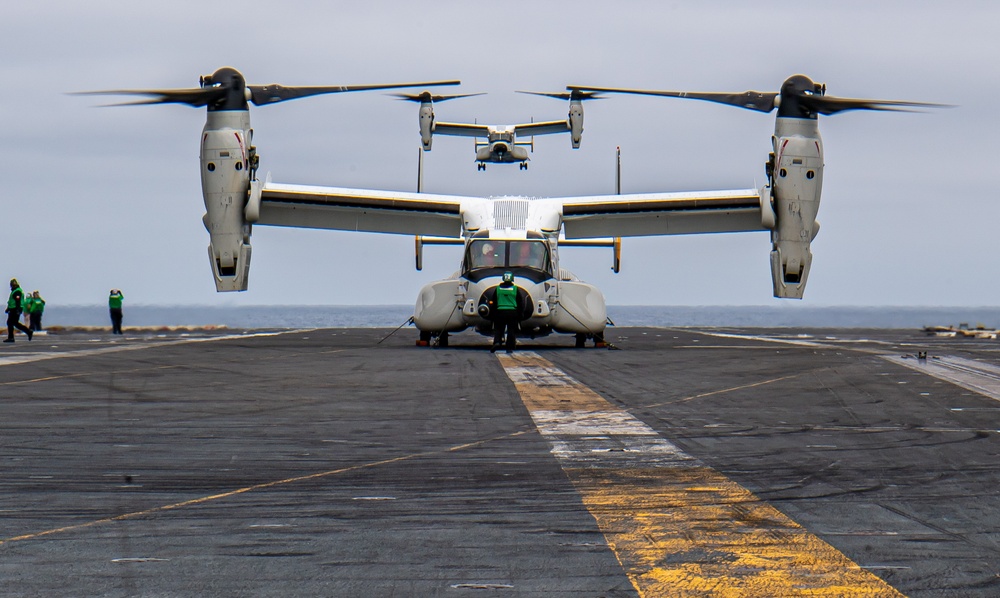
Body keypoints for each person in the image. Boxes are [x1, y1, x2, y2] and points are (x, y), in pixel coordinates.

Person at [489, 271, 526, 354]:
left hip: (500, 311)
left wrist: (493, 313)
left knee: (498, 329)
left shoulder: (498, 289)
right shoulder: (515, 289)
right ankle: (510, 346)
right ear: (512, 279)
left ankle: (497, 342)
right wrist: (521, 314)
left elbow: (493, 302)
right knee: (511, 330)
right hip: (512, 312)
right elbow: (520, 302)